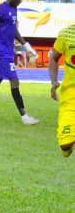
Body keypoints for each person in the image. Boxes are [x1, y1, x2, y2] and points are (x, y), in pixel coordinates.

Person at [48, 22, 75, 157]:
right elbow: (53, 58)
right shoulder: (66, 34)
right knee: (65, 146)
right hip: (70, 98)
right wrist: (53, 82)